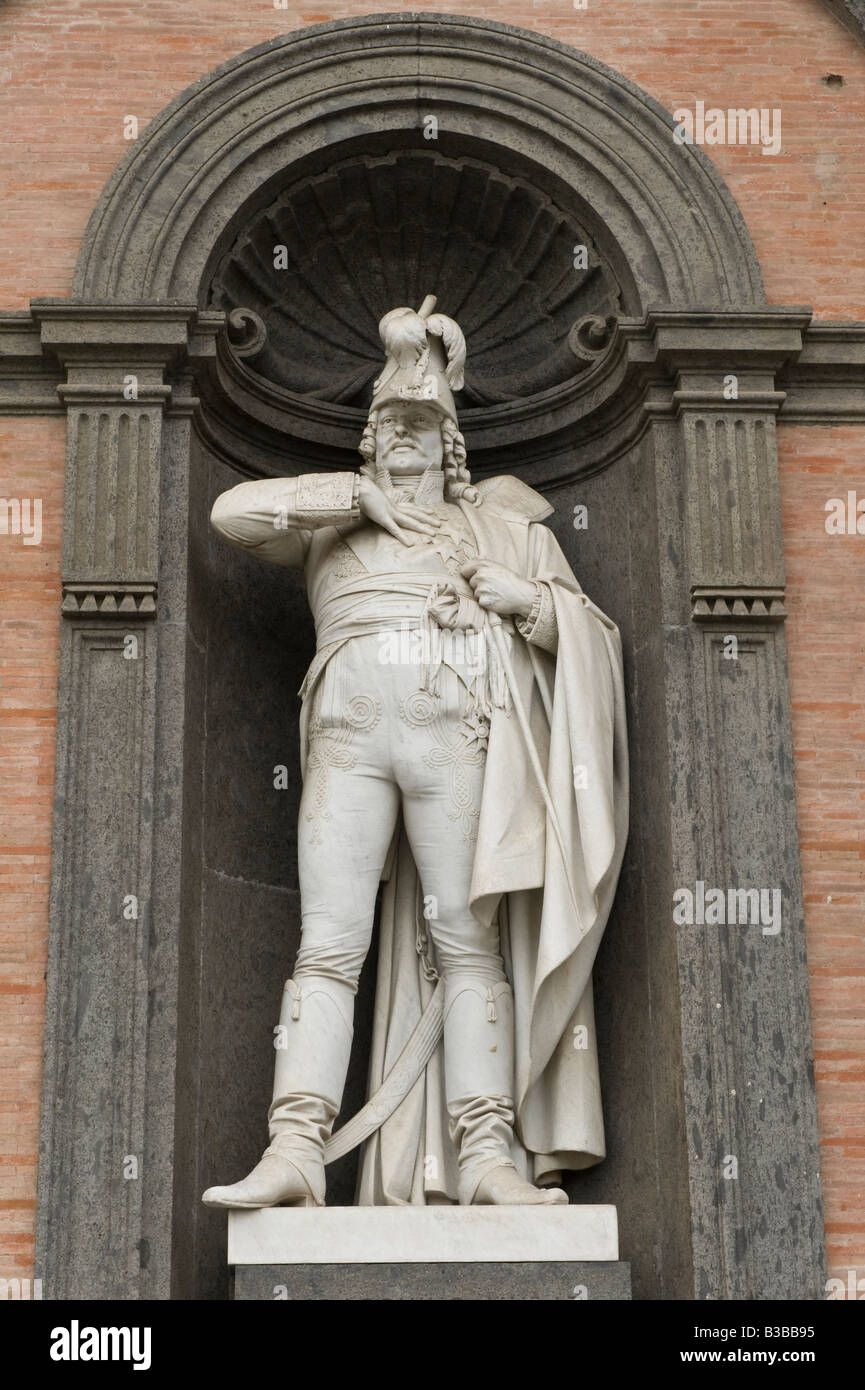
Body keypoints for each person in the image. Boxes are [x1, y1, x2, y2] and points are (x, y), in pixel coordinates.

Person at [202, 298, 628, 1209]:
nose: (405, 439)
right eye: (390, 425)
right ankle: (296, 1148)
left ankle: (483, 1157)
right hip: (348, 744)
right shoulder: (331, 524)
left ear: (450, 445)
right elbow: (231, 511)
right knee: (327, 945)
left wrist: (523, 600)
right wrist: (348, 494)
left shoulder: (504, 533)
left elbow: (590, 640)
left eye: (423, 427)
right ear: (368, 443)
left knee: (468, 944)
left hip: (453, 743)